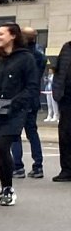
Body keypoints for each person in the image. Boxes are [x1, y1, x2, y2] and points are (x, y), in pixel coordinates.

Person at [0, 22, 42, 207]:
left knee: (4, 147)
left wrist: (15, 104)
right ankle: (4, 188)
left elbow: (32, 87)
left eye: (1, 34)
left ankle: (9, 190)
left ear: (13, 36)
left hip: (14, 111)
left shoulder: (26, 58)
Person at [9, 26, 47, 179]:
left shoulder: (19, 55)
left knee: (15, 134)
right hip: (33, 99)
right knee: (32, 133)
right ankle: (38, 166)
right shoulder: (40, 55)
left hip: (19, 98)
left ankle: (18, 166)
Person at [54, 40, 71, 181]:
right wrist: (57, 91)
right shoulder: (67, 47)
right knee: (65, 134)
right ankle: (66, 170)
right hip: (66, 98)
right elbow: (59, 70)